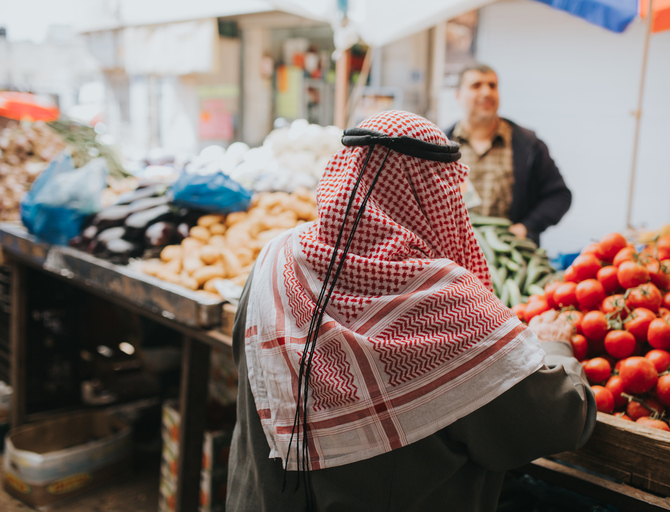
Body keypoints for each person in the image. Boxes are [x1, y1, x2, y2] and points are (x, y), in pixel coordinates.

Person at [226, 111, 595, 512]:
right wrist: (556, 346)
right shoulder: (452, 308)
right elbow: (555, 422)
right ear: (438, 192)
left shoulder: (274, 259)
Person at [445, 64, 572, 246]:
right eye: (476, 86)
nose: (486, 92)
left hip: (508, 253)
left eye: (492, 85)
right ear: (457, 95)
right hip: (453, 252)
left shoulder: (528, 144)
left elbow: (560, 196)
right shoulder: (439, 144)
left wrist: (526, 227)